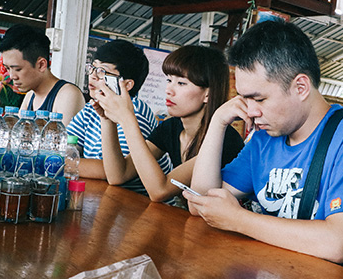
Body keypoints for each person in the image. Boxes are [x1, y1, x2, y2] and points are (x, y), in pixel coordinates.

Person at [185, 20, 343, 270]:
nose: (250, 111)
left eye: (258, 98)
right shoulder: (264, 138)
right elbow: (202, 204)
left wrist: (239, 220)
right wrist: (217, 122)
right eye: (244, 99)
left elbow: (338, 243)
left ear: (300, 87)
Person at [95, 45, 244, 203]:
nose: (168, 90)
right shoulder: (172, 127)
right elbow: (118, 175)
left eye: (181, 83)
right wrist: (107, 119)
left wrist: (127, 119)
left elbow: (160, 191)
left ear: (207, 93)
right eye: (169, 80)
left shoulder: (224, 140)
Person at [66, 39, 171, 194]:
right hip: (105, 196)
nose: (93, 76)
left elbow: (110, 171)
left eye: (102, 71)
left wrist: (57, 162)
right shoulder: (91, 107)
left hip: (138, 204)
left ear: (127, 85)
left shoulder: (136, 112)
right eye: (92, 68)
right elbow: (66, 146)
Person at [0, 24, 85, 126]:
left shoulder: (68, 95)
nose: (12, 76)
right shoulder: (30, 96)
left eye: (17, 69)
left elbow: (66, 140)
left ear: (41, 65)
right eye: (7, 68)